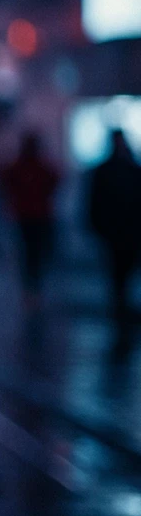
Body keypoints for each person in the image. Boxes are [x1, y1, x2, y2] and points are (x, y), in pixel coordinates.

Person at [87, 129, 141, 357]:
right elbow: (94, 202)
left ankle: (124, 316)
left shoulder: (128, 170)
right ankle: (122, 317)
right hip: (117, 233)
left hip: (126, 232)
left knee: (122, 277)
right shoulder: (115, 170)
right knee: (118, 277)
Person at [0, 132, 61, 305]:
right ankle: (32, 287)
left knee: (30, 253)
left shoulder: (29, 166)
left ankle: (32, 287)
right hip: (32, 215)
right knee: (33, 253)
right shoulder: (33, 166)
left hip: (31, 215)